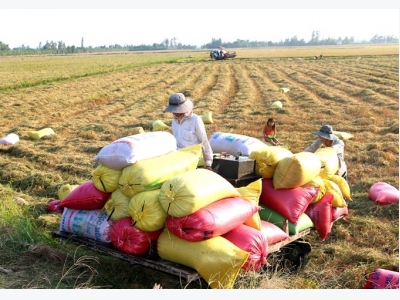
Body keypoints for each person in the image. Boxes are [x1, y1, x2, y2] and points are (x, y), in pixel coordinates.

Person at [163, 93, 213, 171]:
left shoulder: (195, 120)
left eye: (175, 110)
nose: (173, 112)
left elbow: (204, 141)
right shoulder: (174, 121)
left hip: (193, 158)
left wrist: (208, 163)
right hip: (178, 157)